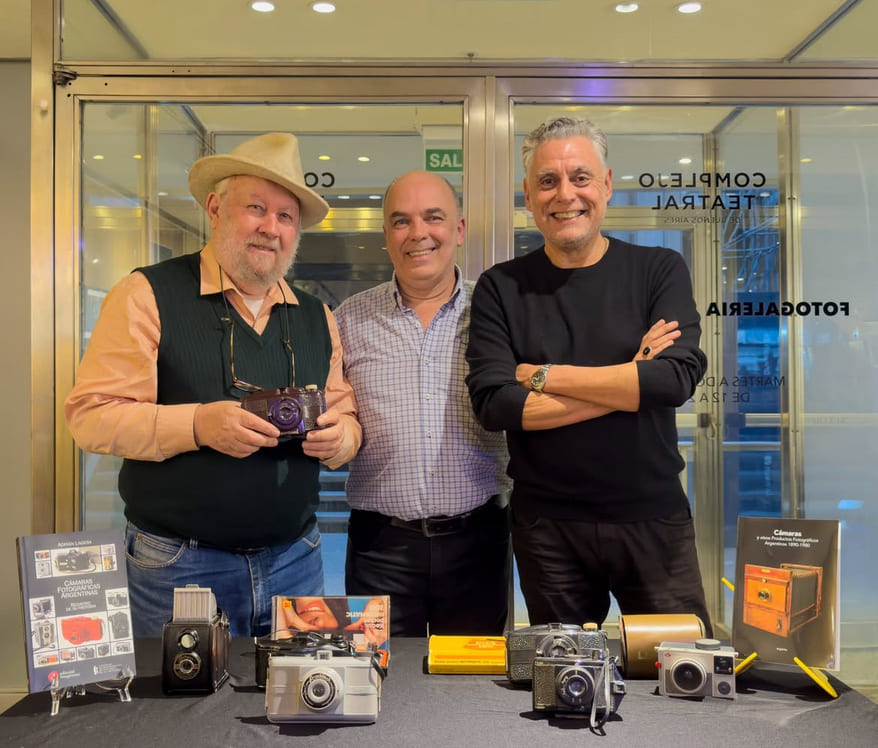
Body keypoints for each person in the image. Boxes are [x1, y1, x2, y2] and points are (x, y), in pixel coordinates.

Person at [64, 133, 361, 638]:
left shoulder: (317, 316)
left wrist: (341, 440)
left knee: (299, 687)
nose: (271, 228)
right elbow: (91, 416)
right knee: (175, 692)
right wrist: (199, 425)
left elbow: (347, 416)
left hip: (298, 559)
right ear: (216, 208)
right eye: (256, 208)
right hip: (178, 565)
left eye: (286, 216)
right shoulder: (146, 293)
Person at [465, 116, 713, 635]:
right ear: (529, 196)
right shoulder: (501, 287)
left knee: (681, 667)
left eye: (580, 177)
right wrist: (631, 378)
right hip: (547, 529)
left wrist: (544, 376)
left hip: (653, 519)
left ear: (606, 184)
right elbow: (495, 405)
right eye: (547, 181)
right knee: (565, 677)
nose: (565, 194)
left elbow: (673, 380)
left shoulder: (659, 269)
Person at [333, 170, 512, 637]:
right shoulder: (348, 319)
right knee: (379, 675)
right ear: (386, 235)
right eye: (401, 221)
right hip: (379, 549)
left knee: (474, 677)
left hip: (479, 543)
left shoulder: (495, 312)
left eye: (433, 217)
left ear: (459, 229)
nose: (418, 233)